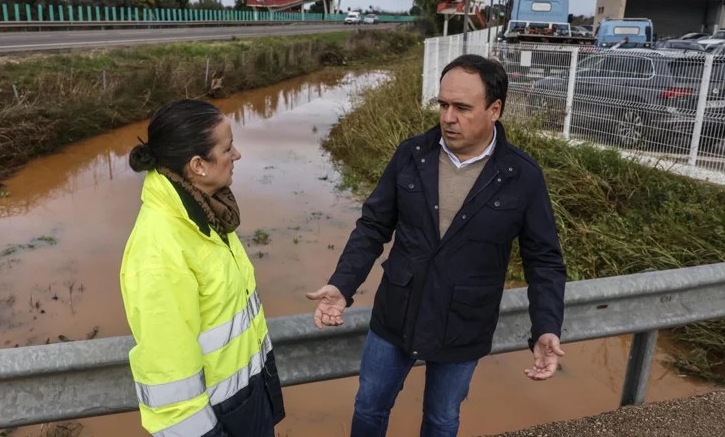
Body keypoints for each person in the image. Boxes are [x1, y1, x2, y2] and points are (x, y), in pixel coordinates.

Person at [307, 54, 567, 437]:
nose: (448, 117)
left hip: (464, 324)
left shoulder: (521, 176)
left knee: (442, 420)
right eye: (443, 104)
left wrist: (546, 326)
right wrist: (342, 284)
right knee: (369, 406)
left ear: (494, 109)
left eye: (462, 107)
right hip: (396, 313)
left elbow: (544, 261)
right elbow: (373, 226)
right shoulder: (412, 155)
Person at [121, 99, 285, 437]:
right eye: (227, 148)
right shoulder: (159, 251)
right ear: (198, 165)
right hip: (216, 421)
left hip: (246, 402)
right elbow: (171, 385)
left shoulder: (207, 215)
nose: (237, 155)